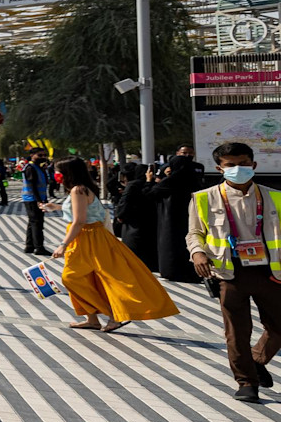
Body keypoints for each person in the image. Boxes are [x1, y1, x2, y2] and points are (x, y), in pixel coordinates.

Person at [187, 142, 280, 402]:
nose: (238, 169)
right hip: (230, 272)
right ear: (219, 168)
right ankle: (246, 382)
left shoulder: (275, 196)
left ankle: (257, 360)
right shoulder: (204, 198)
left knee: (278, 326)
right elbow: (195, 232)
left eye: (243, 164)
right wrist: (197, 253)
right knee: (237, 332)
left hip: (270, 271)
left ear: (254, 165)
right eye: (231, 165)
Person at [50, 156, 176, 333]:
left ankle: (113, 315)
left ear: (68, 172)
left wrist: (63, 244)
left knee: (73, 277)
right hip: (88, 236)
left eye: (59, 171)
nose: (56, 174)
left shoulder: (78, 190)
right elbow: (82, 213)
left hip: (89, 237)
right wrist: (56, 208)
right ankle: (92, 318)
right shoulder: (80, 189)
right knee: (84, 278)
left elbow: (79, 221)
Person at [152, 153, 206, 284]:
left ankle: (172, 270)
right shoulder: (195, 180)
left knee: (172, 246)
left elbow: (153, 192)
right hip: (190, 220)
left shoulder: (171, 181)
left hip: (171, 221)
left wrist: (165, 177)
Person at [113, 163, 157, 271]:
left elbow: (125, 201)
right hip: (149, 221)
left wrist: (119, 215)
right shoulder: (152, 184)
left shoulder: (133, 184)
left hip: (133, 222)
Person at [20, 149, 52, 255]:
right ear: (32, 155)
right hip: (32, 199)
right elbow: (33, 185)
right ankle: (39, 247)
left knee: (32, 223)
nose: (43, 157)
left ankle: (29, 246)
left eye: (44, 155)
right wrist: (39, 201)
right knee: (37, 223)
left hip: (38, 198)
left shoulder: (39, 168)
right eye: (40, 155)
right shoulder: (30, 168)